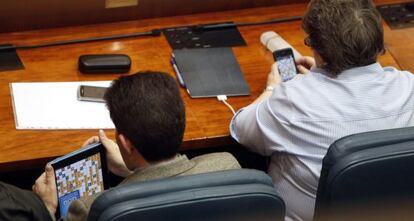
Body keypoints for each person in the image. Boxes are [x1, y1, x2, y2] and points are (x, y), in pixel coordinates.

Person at [230, 0, 414, 220]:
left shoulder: (294, 100)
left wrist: (272, 88)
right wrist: (320, 74)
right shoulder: (409, 87)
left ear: (316, 49)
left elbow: (240, 129)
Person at [2, 71, 240, 221]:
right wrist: (131, 171)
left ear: (125, 143)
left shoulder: (92, 208)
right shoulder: (228, 166)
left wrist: (45, 207)